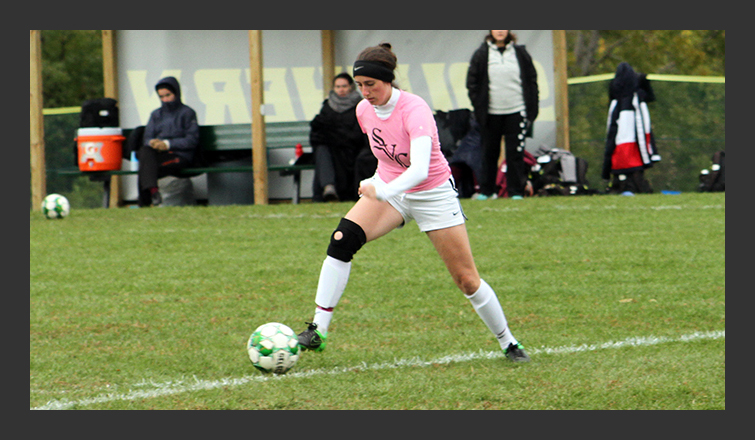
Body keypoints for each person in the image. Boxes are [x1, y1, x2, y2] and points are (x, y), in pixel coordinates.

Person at [296, 43, 530, 363]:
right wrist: (379, 183)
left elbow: (419, 170)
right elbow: (387, 160)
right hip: (392, 189)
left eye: (371, 85)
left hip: (432, 193)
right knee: (341, 239)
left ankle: (509, 342)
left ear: (388, 80)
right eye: (360, 85)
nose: (364, 92)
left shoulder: (414, 109)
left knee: (467, 279)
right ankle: (317, 330)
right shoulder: (364, 110)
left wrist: (383, 190)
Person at [466, 30, 539, 200]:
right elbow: (472, 83)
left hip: (517, 111)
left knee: (515, 154)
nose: (500, 31)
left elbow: (532, 81)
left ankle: (515, 192)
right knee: (489, 152)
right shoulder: (482, 54)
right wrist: (479, 106)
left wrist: (531, 111)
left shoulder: (520, 53)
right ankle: (486, 191)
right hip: (490, 114)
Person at [137, 76, 199, 207]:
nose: (165, 100)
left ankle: (146, 201)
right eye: (162, 97)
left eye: (168, 95)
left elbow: (191, 140)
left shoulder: (187, 113)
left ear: (176, 93)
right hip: (159, 155)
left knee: (146, 167)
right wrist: (153, 143)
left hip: (180, 155)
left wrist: (167, 144)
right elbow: (147, 138)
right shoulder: (156, 115)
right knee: (145, 153)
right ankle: (152, 193)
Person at [309, 72, 370, 202]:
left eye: (344, 86)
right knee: (322, 150)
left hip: (353, 150)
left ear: (351, 87)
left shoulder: (361, 106)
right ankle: (328, 187)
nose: (341, 90)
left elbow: (361, 134)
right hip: (332, 150)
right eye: (337, 87)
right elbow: (318, 132)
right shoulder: (328, 106)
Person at [603, 62, 660, 194]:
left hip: (628, 136)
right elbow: (650, 96)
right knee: (628, 161)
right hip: (626, 136)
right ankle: (624, 186)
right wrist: (645, 82)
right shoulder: (629, 96)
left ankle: (628, 186)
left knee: (628, 159)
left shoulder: (623, 97)